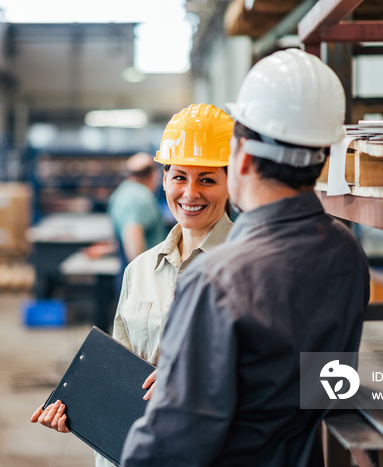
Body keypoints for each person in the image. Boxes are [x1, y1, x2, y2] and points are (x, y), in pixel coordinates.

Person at [120, 49, 371, 467]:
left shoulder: (216, 279)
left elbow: (172, 445)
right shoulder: (346, 252)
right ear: (322, 158)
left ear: (244, 157)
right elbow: (329, 386)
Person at [30, 103, 236, 467]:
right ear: (163, 179)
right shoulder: (139, 270)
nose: (190, 193)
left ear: (230, 181)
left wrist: (197, 381)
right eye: (179, 177)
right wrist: (82, 410)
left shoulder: (249, 267)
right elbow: (120, 371)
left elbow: (281, 379)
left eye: (207, 179)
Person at [108, 152, 167, 268]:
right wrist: (143, 275)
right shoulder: (139, 198)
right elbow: (132, 234)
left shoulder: (121, 192)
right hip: (145, 272)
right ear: (153, 174)